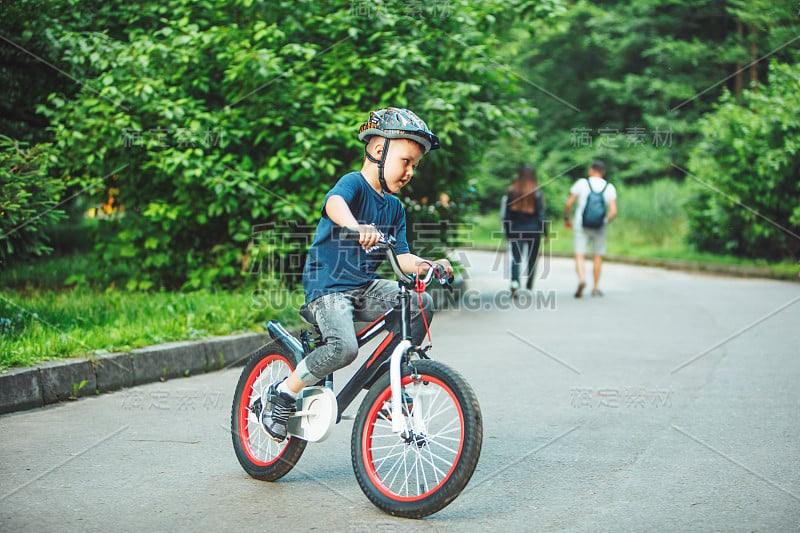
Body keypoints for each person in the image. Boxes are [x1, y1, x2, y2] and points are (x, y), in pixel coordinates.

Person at [261, 107, 454, 442]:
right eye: (406, 161)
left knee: (418, 301)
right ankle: (284, 393)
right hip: (328, 288)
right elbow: (335, 203)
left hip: (364, 289)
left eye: (414, 166)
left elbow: (403, 255)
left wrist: (427, 264)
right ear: (379, 152)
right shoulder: (353, 184)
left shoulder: (394, 208)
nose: (410, 172)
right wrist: (355, 225)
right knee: (343, 348)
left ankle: (385, 383)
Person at [564, 159, 617, 298]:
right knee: (597, 255)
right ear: (603, 172)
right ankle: (595, 287)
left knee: (580, 253)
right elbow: (613, 211)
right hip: (600, 225)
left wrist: (567, 219)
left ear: (591, 170)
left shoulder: (582, 183)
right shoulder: (609, 187)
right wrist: (605, 221)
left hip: (581, 224)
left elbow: (569, 203)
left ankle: (582, 279)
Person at [501, 165, 547, 294]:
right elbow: (541, 215)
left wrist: (507, 231)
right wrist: (546, 232)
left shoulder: (512, 191)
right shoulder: (536, 192)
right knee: (532, 258)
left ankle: (515, 281)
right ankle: (529, 284)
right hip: (534, 230)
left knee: (516, 257)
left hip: (516, 229)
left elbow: (507, 215)